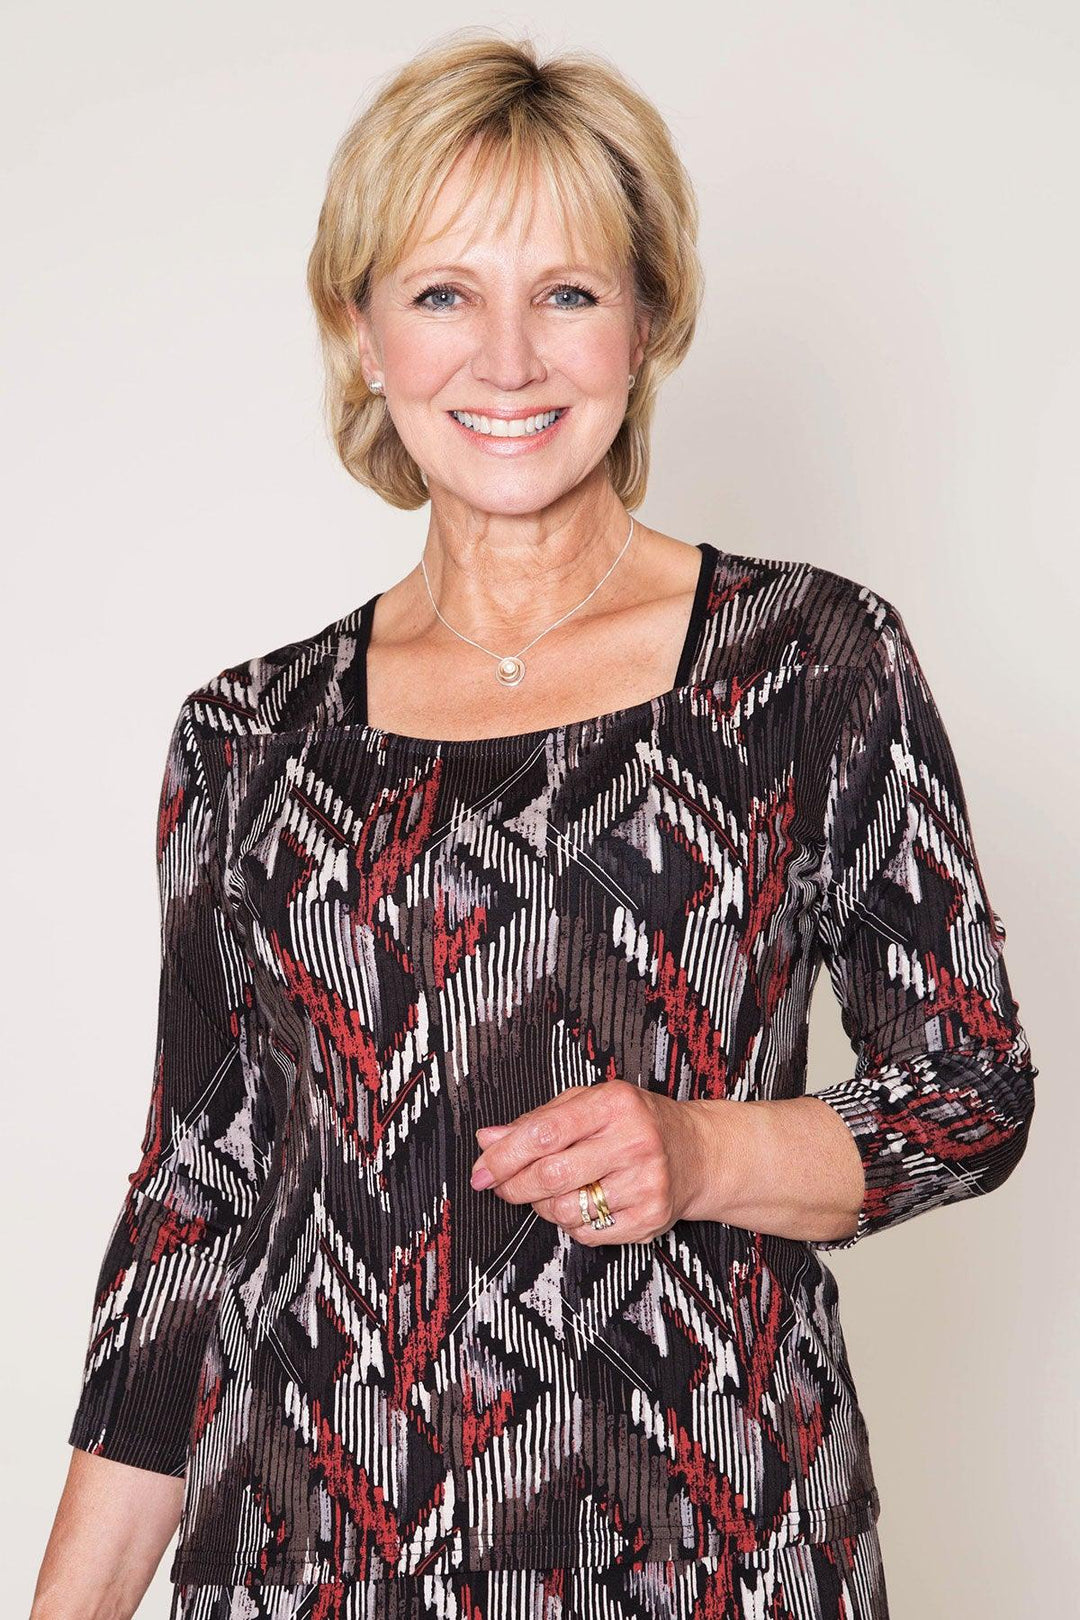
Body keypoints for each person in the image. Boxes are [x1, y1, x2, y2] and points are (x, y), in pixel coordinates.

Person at [32, 28, 1038, 1620]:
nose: (506, 360)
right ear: (362, 333)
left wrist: (702, 1148)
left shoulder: (806, 664)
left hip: (712, 1548)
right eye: (444, 294)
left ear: (645, 324)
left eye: (566, 293)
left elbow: (970, 1090)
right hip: (319, 1567)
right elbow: (190, 1215)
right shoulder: (251, 741)